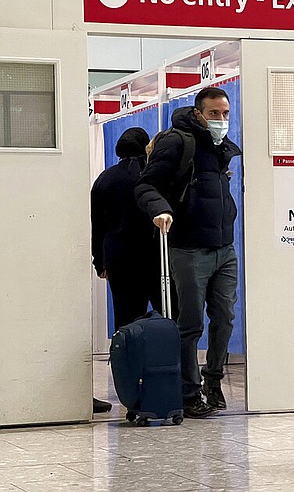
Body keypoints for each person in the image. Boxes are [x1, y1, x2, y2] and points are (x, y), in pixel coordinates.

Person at [135, 87, 242, 419]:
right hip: (188, 248)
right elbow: (145, 185)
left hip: (224, 248)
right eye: (214, 114)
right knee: (191, 323)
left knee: (224, 318)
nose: (221, 120)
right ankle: (188, 389)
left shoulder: (220, 148)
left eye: (225, 113)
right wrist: (159, 210)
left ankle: (213, 382)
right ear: (198, 113)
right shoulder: (178, 141)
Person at [91, 127, 161, 414]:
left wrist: (100, 262)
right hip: (154, 259)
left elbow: (97, 227)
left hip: (119, 260)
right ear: (146, 147)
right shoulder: (151, 178)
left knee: (126, 325)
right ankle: (162, 382)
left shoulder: (103, 179)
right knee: (165, 320)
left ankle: (129, 388)